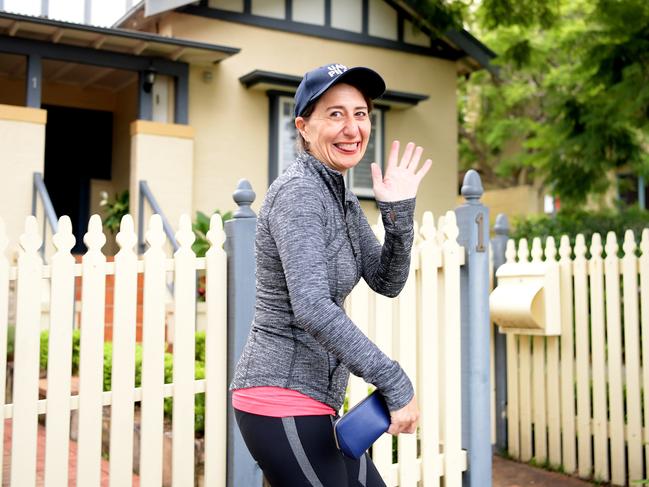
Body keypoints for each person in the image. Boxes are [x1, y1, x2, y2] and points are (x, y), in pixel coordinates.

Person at [230, 63, 432, 486]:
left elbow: (386, 280)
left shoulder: (336, 191)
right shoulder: (299, 193)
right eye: (335, 114)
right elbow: (312, 307)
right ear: (303, 127)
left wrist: (397, 213)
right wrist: (393, 380)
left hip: (316, 403)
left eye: (360, 114)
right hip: (279, 400)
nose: (352, 128)